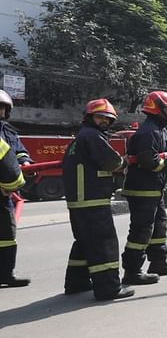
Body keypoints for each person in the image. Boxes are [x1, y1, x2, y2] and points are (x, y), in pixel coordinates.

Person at [120, 90, 167, 284]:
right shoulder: (148, 132)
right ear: (158, 108)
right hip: (142, 189)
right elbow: (150, 162)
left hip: (155, 189)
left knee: (159, 227)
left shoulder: (160, 130)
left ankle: (158, 263)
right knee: (141, 230)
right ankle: (132, 271)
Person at [62, 99, 134, 300]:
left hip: (79, 201)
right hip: (92, 200)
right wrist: (125, 162)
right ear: (89, 117)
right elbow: (111, 161)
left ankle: (76, 283)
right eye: (100, 116)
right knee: (104, 243)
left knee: (84, 242)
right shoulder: (92, 136)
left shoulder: (79, 138)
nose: (104, 121)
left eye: (108, 118)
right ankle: (109, 288)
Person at [0, 89, 33, 288]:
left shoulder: (9, 131)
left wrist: (27, 163)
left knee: (6, 235)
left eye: (3, 107)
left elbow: (19, 151)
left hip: (5, 193)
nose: (1, 111)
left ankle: (5, 273)